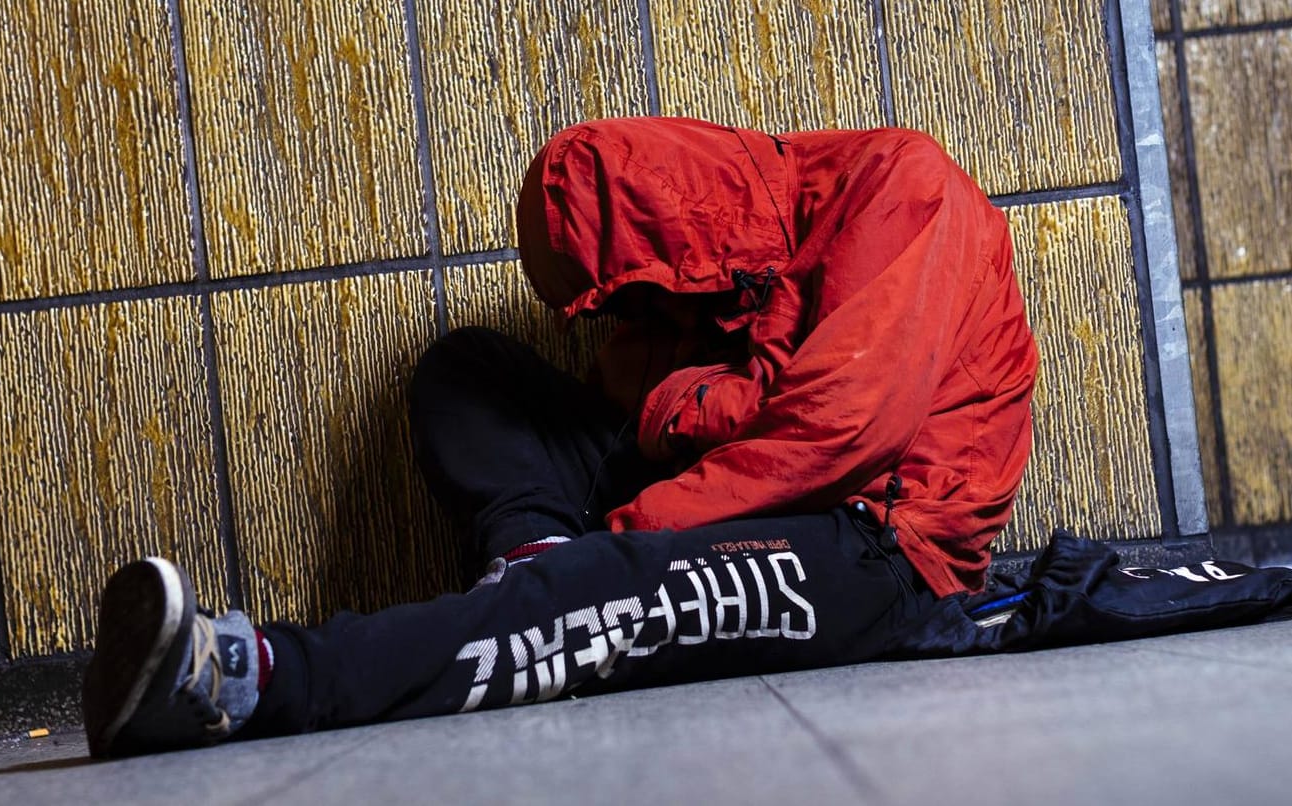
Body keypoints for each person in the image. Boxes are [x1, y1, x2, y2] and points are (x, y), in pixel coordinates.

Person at [81, 117, 1038, 758]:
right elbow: (686, 400)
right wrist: (661, 401)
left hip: (874, 543)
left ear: (678, 238)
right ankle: (536, 563)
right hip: (746, 485)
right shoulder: (720, 268)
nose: (623, 319)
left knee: (602, 585)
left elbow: (834, 434)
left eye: (625, 296)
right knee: (468, 371)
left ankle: (237, 680)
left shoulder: (904, 188)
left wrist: (632, 519)